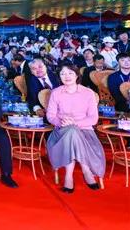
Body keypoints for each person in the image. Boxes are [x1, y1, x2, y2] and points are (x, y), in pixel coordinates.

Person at [46, 64, 105, 193]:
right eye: (63, 74)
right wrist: (62, 122)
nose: (66, 76)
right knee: (71, 131)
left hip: (85, 132)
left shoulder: (88, 93)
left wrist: (75, 123)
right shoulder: (56, 93)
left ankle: (69, 177)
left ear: (77, 75)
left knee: (73, 131)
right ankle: (86, 170)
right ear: (59, 77)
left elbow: (93, 119)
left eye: (70, 73)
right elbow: (50, 116)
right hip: (61, 132)